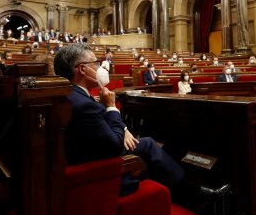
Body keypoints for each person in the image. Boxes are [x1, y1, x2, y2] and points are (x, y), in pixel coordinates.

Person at [53, 43, 229, 206]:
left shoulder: (73, 95)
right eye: (96, 63)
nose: (100, 68)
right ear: (83, 69)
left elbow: (97, 123)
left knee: (151, 146)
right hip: (100, 170)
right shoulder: (82, 103)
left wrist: (122, 127)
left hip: (94, 154)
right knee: (150, 145)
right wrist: (112, 107)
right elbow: (113, 145)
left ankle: (186, 195)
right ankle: (197, 195)